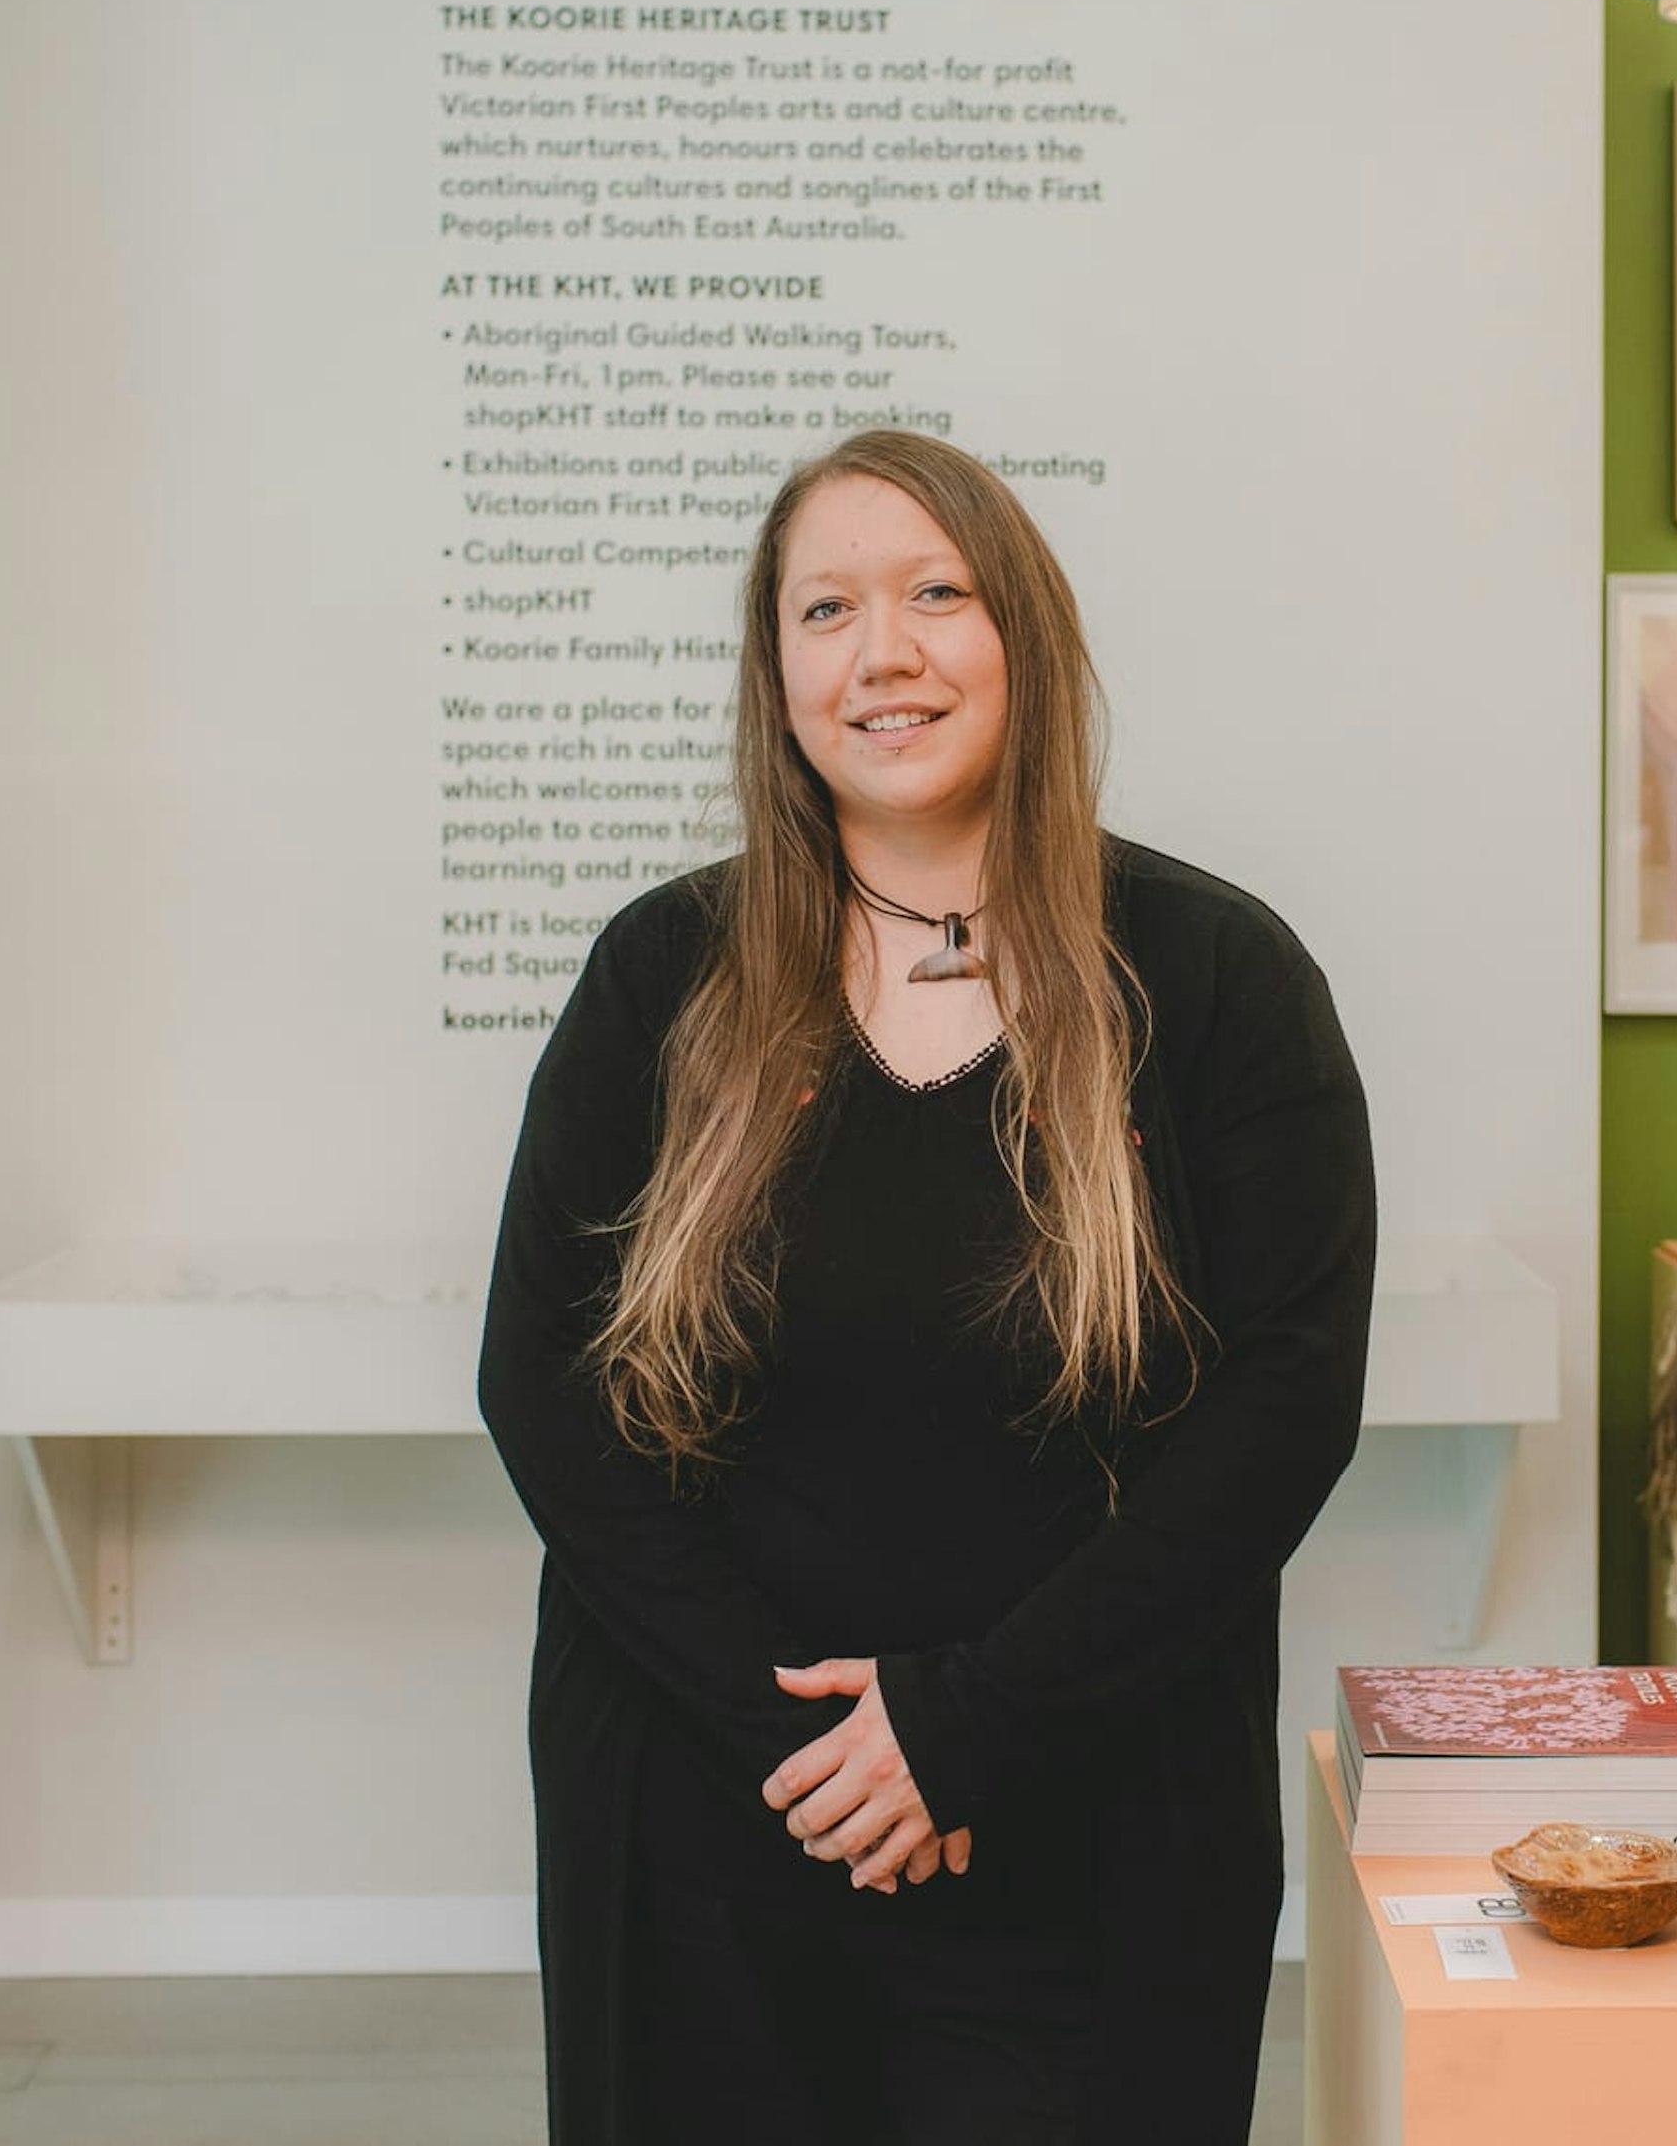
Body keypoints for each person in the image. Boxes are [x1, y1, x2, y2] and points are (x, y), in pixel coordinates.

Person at [478, 427, 1377, 2144]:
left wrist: (967, 1729)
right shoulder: (658, 974)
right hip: (701, 1829)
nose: (881, 649)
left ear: (1023, 636)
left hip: (1096, 1823)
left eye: (935, 593)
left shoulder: (1219, 979)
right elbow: (545, 1387)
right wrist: (821, 1754)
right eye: (827, 609)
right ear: (780, 676)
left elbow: (1285, 1409)